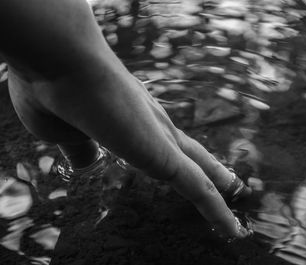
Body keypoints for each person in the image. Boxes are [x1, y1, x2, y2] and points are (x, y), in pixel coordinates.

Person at [0, 0, 252, 239]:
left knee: (85, 165)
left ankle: (85, 195)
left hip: (25, 84)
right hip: (68, 84)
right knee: (175, 157)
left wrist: (33, 62)